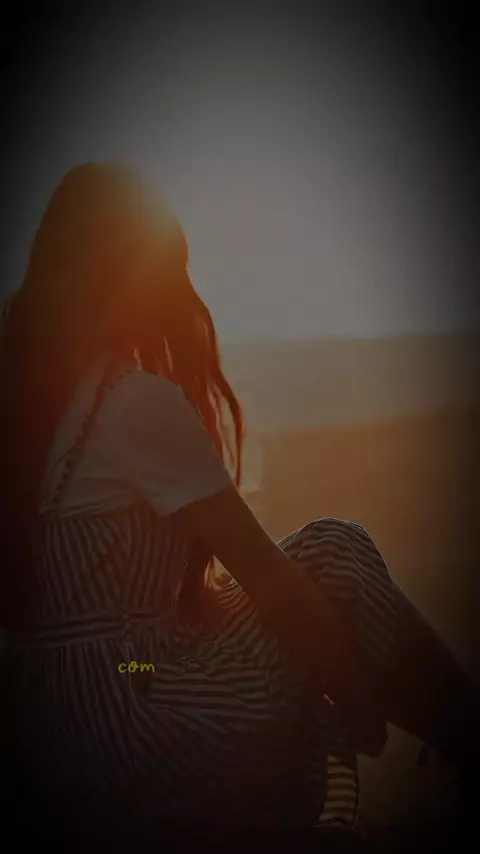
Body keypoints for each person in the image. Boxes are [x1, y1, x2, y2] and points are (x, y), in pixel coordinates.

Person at [1, 163, 478, 847]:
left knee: (224, 611)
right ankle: (466, 732)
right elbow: (273, 585)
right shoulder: (132, 402)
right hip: (131, 700)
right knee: (334, 551)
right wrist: (357, 699)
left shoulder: (22, 404)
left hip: (48, 718)